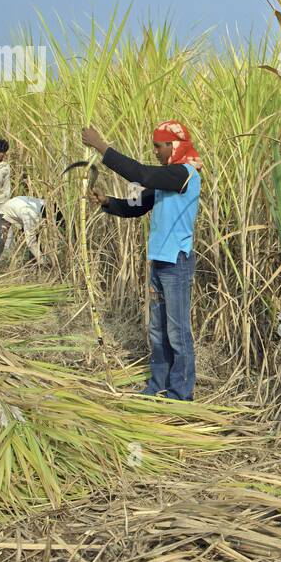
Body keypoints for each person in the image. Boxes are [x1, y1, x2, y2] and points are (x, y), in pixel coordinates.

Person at [82, 120, 201, 401]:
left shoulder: (184, 174)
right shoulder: (165, 180)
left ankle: (181, 393)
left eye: (158, 147)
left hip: (176, 263)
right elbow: (135, 206)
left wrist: (101, 147)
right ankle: (157, 384)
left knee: (177, 329)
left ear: (174, 146)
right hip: (159, 262)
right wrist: (108, 202)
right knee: (157, 330)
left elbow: (142, 175)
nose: (156, 152)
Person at [0, 195, 55, 279]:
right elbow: (30, 242)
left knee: (35, 238)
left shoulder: (48, 205)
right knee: (0, 242)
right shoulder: (31, 215)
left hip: (19, 209)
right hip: (7, 212)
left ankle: (34, 268)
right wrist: (44, 261)